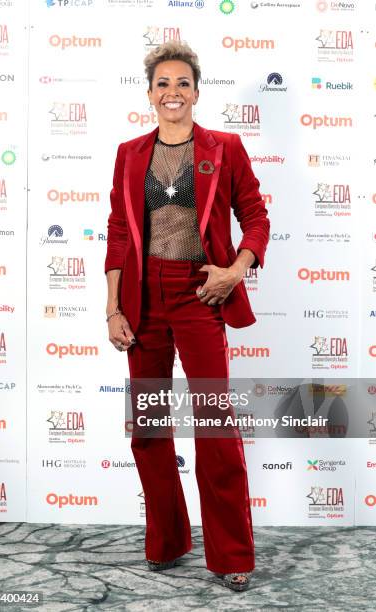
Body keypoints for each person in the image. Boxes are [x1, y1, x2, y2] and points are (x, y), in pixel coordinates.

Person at [104, 40, 270, 592]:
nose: (172, 92)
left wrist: (235, 270)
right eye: (162, 84)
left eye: (182, 83)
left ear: (197, 92)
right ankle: (167, 541)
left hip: (202, 293)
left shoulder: (224, 147)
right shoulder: (129, 153)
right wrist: (113, 306)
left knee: (215, 428)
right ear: (149, 93)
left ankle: (231, 557)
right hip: (143, 299)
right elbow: (120, 233)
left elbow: (255, 217)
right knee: (149, 428)